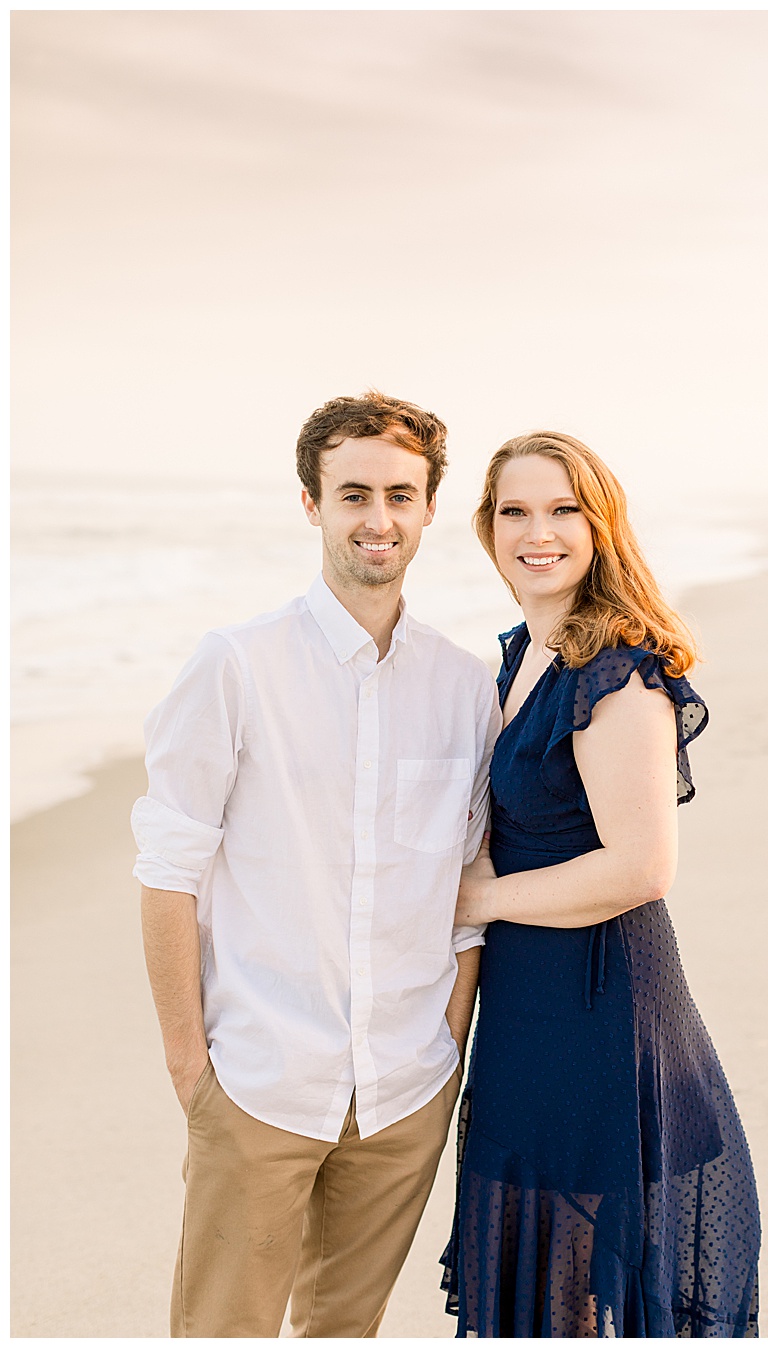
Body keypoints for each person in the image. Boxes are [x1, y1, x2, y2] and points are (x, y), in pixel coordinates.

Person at [133, 392, 501, 1336]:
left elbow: (466, 886)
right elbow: (168, 869)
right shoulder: (235, 665)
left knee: (345, 1332)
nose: (379, 518)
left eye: (401, 495)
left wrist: (447, 1044)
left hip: (406, 1089)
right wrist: (191, 1072)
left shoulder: (466, 688)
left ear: (429, 508)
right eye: (354, 494)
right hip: (258, 1082)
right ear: (312, 504)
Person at [439, 431, 760, 1337]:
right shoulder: (524, 654)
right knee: (546, 1281)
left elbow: (642, 867)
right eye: (514, 511)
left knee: (578, 1283)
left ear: (600, 525)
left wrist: (474, 899)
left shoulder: (616, 671)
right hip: (528, 999)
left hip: (597, 1006)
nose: (536, 532)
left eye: (562, 510)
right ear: (487, 528)